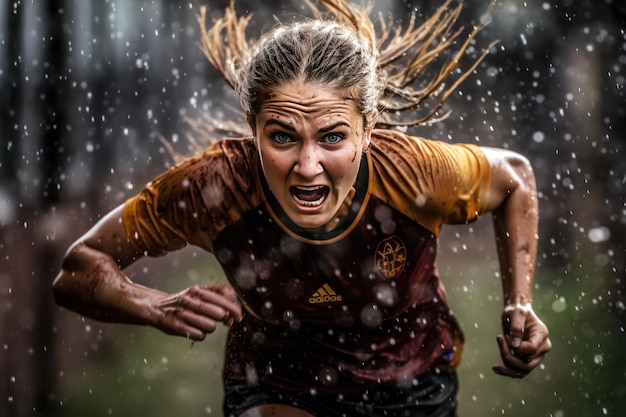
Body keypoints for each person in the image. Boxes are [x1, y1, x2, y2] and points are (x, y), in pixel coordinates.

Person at [53, 0, 552, 416]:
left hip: (410, 381)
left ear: (368, 128)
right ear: (253, 127)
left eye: (333, 137)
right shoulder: (216, 186)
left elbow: (514, 178)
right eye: (282, 137)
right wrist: (153, 305)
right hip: (277, 383)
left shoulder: (415, 173)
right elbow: (76, 270)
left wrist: (519, 302)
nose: (308, 166)